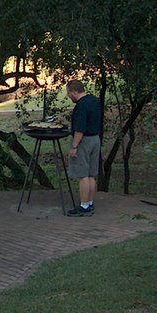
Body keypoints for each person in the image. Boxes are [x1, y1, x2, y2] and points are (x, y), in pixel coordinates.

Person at [65, 79, 101, 216]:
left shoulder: (81, 106)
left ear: (74, 91)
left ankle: (84, 206)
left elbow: (79, 129)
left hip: (84, 141)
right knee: (92, 174)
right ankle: (90, 203)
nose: (68, 95)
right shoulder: (93, 100)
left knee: (83, 175)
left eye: (69, 93)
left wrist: (74, 146)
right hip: (95, 139)